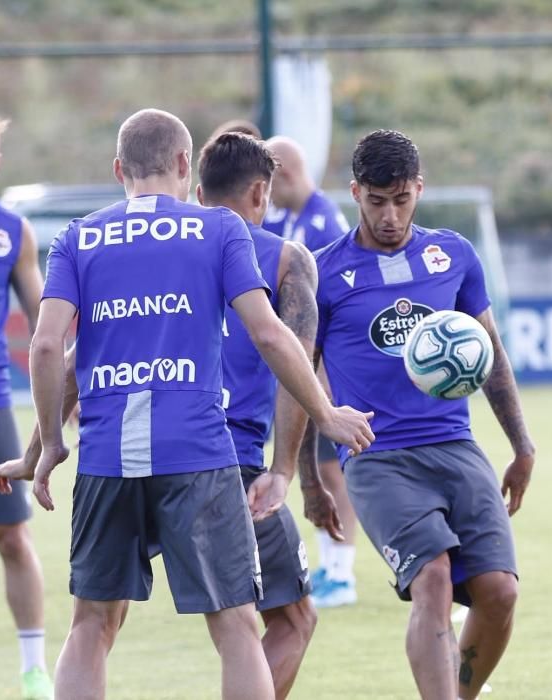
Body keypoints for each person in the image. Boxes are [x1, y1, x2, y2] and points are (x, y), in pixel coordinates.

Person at [0, 108, 374, 700]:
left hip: (106, 457)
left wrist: (47, 444)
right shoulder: (219, 232)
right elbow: (272, 335)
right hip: (198, 453)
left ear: (118, 168)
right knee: (239, 627)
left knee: (91, 626)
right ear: (183, 165)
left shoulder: (79, 237)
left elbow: (46, 347)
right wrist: (326, 414)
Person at [305, 128, 535, 699]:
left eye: (401, 199)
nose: (389, 214)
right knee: (431, 577)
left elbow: (491, 352)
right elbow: (298, 378)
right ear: (354, 192)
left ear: (419, 190)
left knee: (499, 592)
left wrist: (521, 446)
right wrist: (307, 478)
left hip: (456, 446)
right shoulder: (319, 272)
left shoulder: (452, 254)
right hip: (376, 456)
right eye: (376, 200)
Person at [198, 131, 341, 698]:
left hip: (125, 460)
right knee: (292, 618)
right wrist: (286, 469)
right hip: (226, 466)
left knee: (96, 621)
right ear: (262, 192)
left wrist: (42, 448)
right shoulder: (282, 258)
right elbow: (293, 362)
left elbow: (68, 352)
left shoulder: (159, 252)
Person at [264, 134, 358, 608]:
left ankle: (342, 571)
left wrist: (319, 381)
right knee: (315, 468)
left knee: (330, 470)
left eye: (269, 179)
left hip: (324, 373)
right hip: (304, 367)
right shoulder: (290, 218)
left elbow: (327, 311)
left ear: (283, 174)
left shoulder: (322, 224)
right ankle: (329, 566)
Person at [0, 108, 53, 700]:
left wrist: (67, 389)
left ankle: (33, 669)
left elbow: (42, 325)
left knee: (12, 538)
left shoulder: (12, 231)